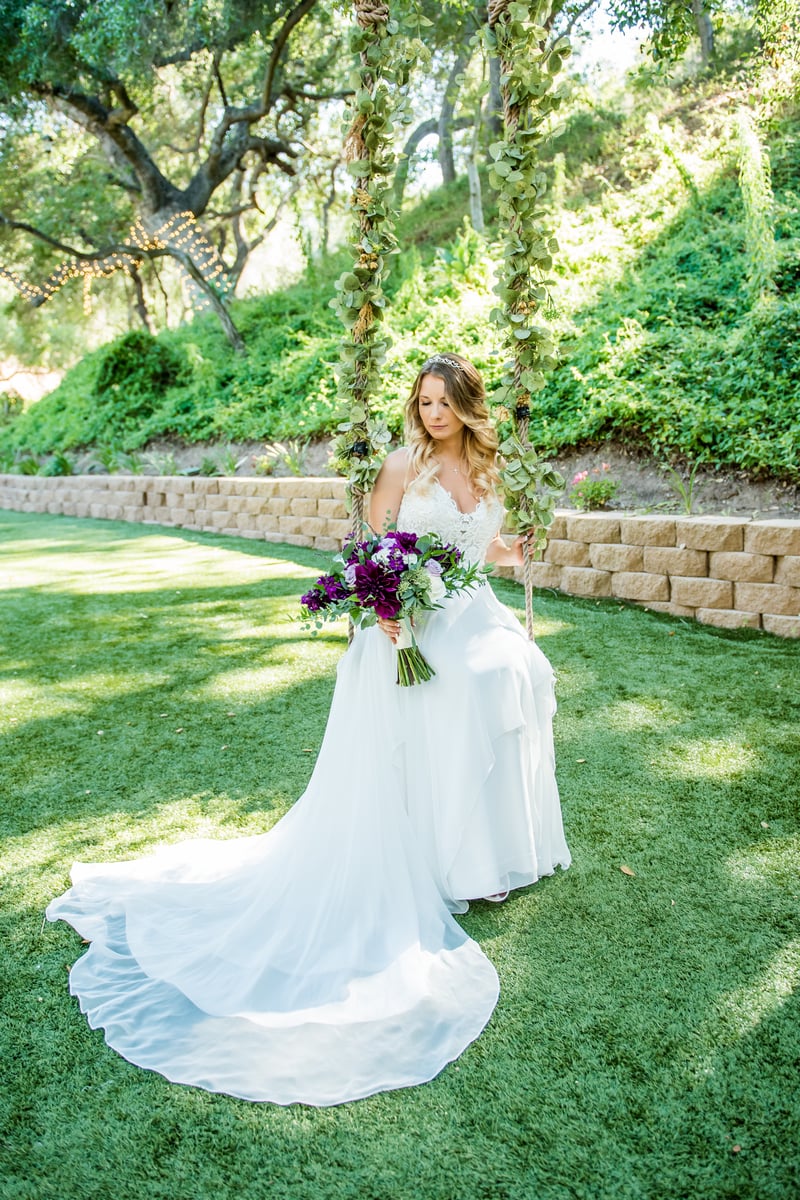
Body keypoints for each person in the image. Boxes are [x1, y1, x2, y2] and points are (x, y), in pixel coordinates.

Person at [46, 352, 570, 1108]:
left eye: (445, 403)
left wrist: (510, 551)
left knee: (518, 669)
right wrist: (386, 607)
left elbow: (476, 545)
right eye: (424, 402)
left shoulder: (490, 469)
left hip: (472, 609)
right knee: (469, 681)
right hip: (412, 620)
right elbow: (375, 549)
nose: (433, 415)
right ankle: (444, 862)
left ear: (467, 406)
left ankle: (489, 852)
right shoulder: (402, 467)